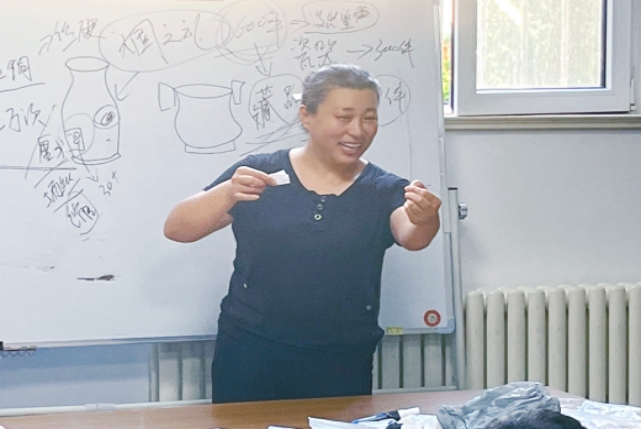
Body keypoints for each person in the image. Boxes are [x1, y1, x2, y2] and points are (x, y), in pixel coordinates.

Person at [163, 64, 441, 403]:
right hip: (250, 350)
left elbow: (414, 236)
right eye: (344, 117)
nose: (357, 130)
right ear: (306, 116)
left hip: (341, 357)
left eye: (369, 118)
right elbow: (177, 228)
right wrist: (227, 192)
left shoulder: (383, 189)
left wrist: (425, 217)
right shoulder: (261, 173)